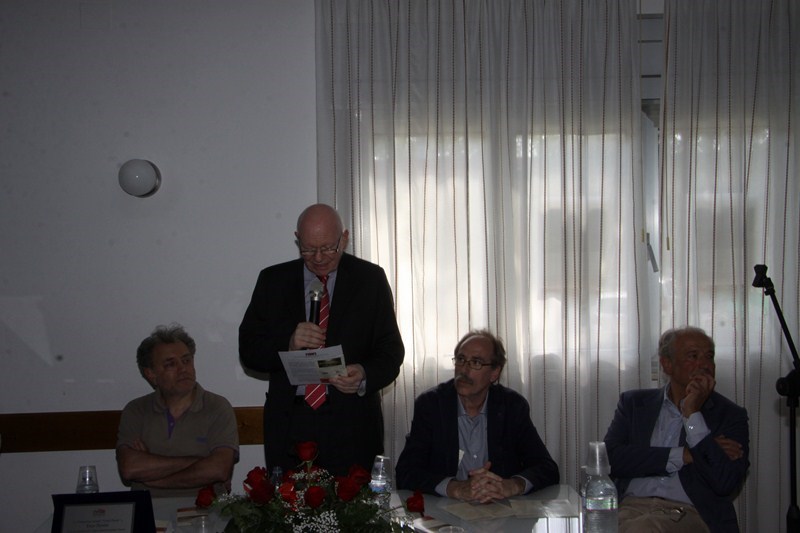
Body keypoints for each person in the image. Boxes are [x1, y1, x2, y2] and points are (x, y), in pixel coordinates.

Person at [239, 203, 405, 476]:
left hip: (352, 422)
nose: (318, 258)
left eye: (328, 248)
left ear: (345, 238)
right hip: (291, 421)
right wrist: (288, 343)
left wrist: (363, 374)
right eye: (308, 249)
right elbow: (248, 350)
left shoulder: (370, 279)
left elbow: (391, 351)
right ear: (297, 239)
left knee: (355, 504)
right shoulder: (273, 281)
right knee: (287, 503)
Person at [604, 326, 749, 533]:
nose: (704, 364)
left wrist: (692, 415)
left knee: (642, 529)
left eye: (709, 356)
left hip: (690, 514)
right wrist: (685, 455)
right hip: (629, 507)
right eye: (693, 356)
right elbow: (610, 459)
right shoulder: (634, 404)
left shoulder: (729, 415)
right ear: (667, 364)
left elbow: (725, 482)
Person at [395, 330, 559, 502]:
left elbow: (547, 468)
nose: (464, 370)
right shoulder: (431, 405)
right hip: (446, 510)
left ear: (494, 373)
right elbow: (406, 472)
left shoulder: (512, 407)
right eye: (461, 359)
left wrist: (512, 485)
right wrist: (455, 488)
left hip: (500, 510)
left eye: (476, 362)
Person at [116, 324, 239, 497]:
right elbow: (130, 468)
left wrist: (155, 476)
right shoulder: (136, 410)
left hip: (204, 509)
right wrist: (200, 462)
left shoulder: (217, 407)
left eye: (186, 361)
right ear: (151, 374)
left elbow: (219, 469)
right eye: (170, 364)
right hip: (149, 509)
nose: (183, 369)